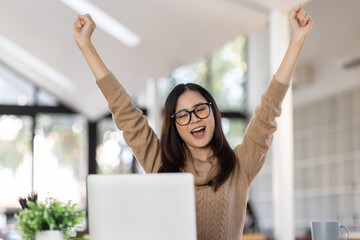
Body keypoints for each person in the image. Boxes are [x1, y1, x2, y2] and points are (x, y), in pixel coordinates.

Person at [74, 5, 312, 240]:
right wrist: (86, 46)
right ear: (175, 125)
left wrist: (297, 40)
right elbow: (124, 110)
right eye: (183, 115)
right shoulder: (159, 163)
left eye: (200, 110)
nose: (194, 120)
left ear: (213, 113)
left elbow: (268, 110)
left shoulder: (241, 164)